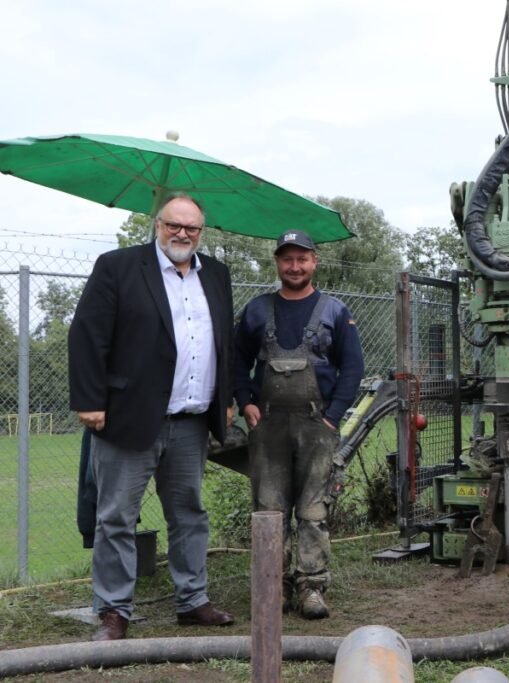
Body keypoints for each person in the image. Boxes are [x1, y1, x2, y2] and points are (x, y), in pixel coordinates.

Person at [69, 193, 235, 641]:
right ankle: (113, 611)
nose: (183, 234)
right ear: (157, 224)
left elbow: (226, 342)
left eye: (192, 228)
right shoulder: (118, 267)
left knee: (190, 514)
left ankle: (192, 600)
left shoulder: (216, 275)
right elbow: (88, 335)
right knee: (116, 518)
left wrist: (228, 397)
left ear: (202, 232)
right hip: (127, 417)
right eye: (173, 225)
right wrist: (90, 399)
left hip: (191, 421)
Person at [233, 230, 365, 619]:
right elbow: (235, 361)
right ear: (277, 262)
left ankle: (311, 587)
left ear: (314, 262)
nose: (295, 266)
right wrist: (245, 402)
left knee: (313, 511)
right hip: (268, 425)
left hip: (316, 425)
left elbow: (353, 368)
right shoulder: (257, 310)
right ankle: (272, 588)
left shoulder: (336, 312)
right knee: (269, 512)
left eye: (302, 259)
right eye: (287, 259)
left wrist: (332, 415)